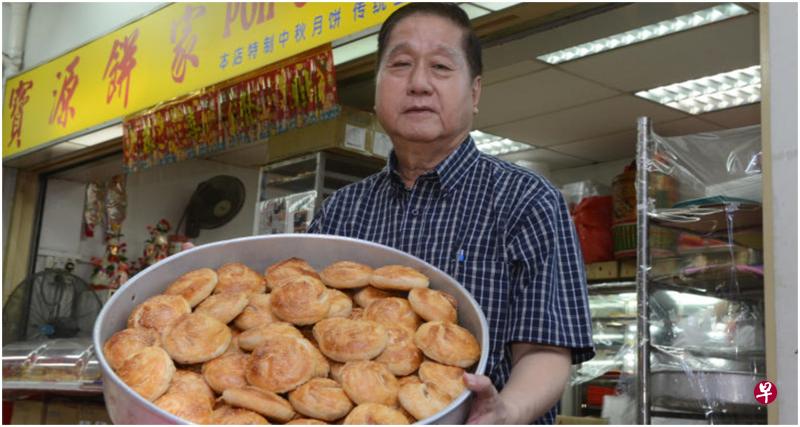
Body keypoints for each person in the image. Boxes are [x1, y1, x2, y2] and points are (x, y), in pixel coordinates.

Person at [307, 3, 594, 424]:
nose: (419, 83)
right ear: (377, 87)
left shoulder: (527, 200)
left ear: (474, 93)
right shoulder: (341, 210)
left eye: (440, 67)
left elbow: (546, 349)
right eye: (401, 64)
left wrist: (504, 413)